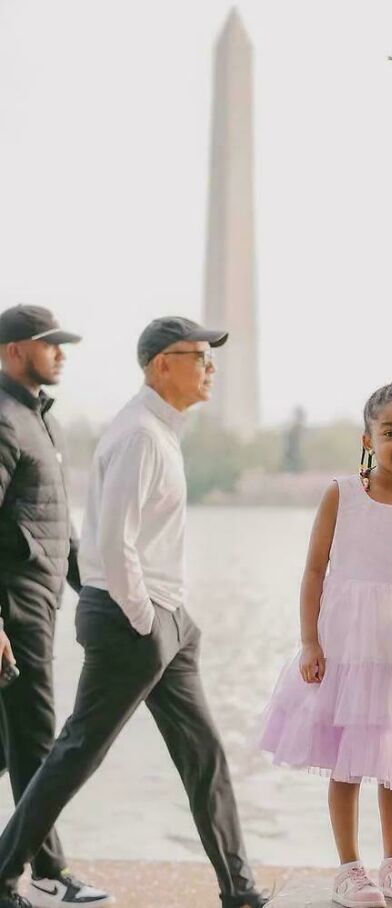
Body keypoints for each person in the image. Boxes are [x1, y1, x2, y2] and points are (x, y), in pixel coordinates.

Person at [0, 316, 268, 908]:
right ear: (161, 364)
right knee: (76, 755)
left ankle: (240, 890)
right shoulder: (140, 435)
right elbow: (115, 540)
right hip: (134, 621)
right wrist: (144, 620)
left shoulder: (159, 431)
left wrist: (166, 618)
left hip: (165, 620)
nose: (210, 368)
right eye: (199, 356)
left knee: (204, 755)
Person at [259, 379, 392, 908]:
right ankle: (349, 867)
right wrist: (309, 643)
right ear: (368, 439)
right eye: (389, 431)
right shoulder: (342, 494)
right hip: (345, 650)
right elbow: (313, 571)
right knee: (346, 759)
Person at [0, 304, 112, 907]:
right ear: (16, 350)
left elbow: (59, 530)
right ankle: (43, 870)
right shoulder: (2, 419)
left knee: (20, 741)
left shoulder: (43, 422)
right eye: (50, 344)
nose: (61, 352)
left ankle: (37, 869)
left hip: (39, 604)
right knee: (36, 740)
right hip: (12, 609)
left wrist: (97, 597)